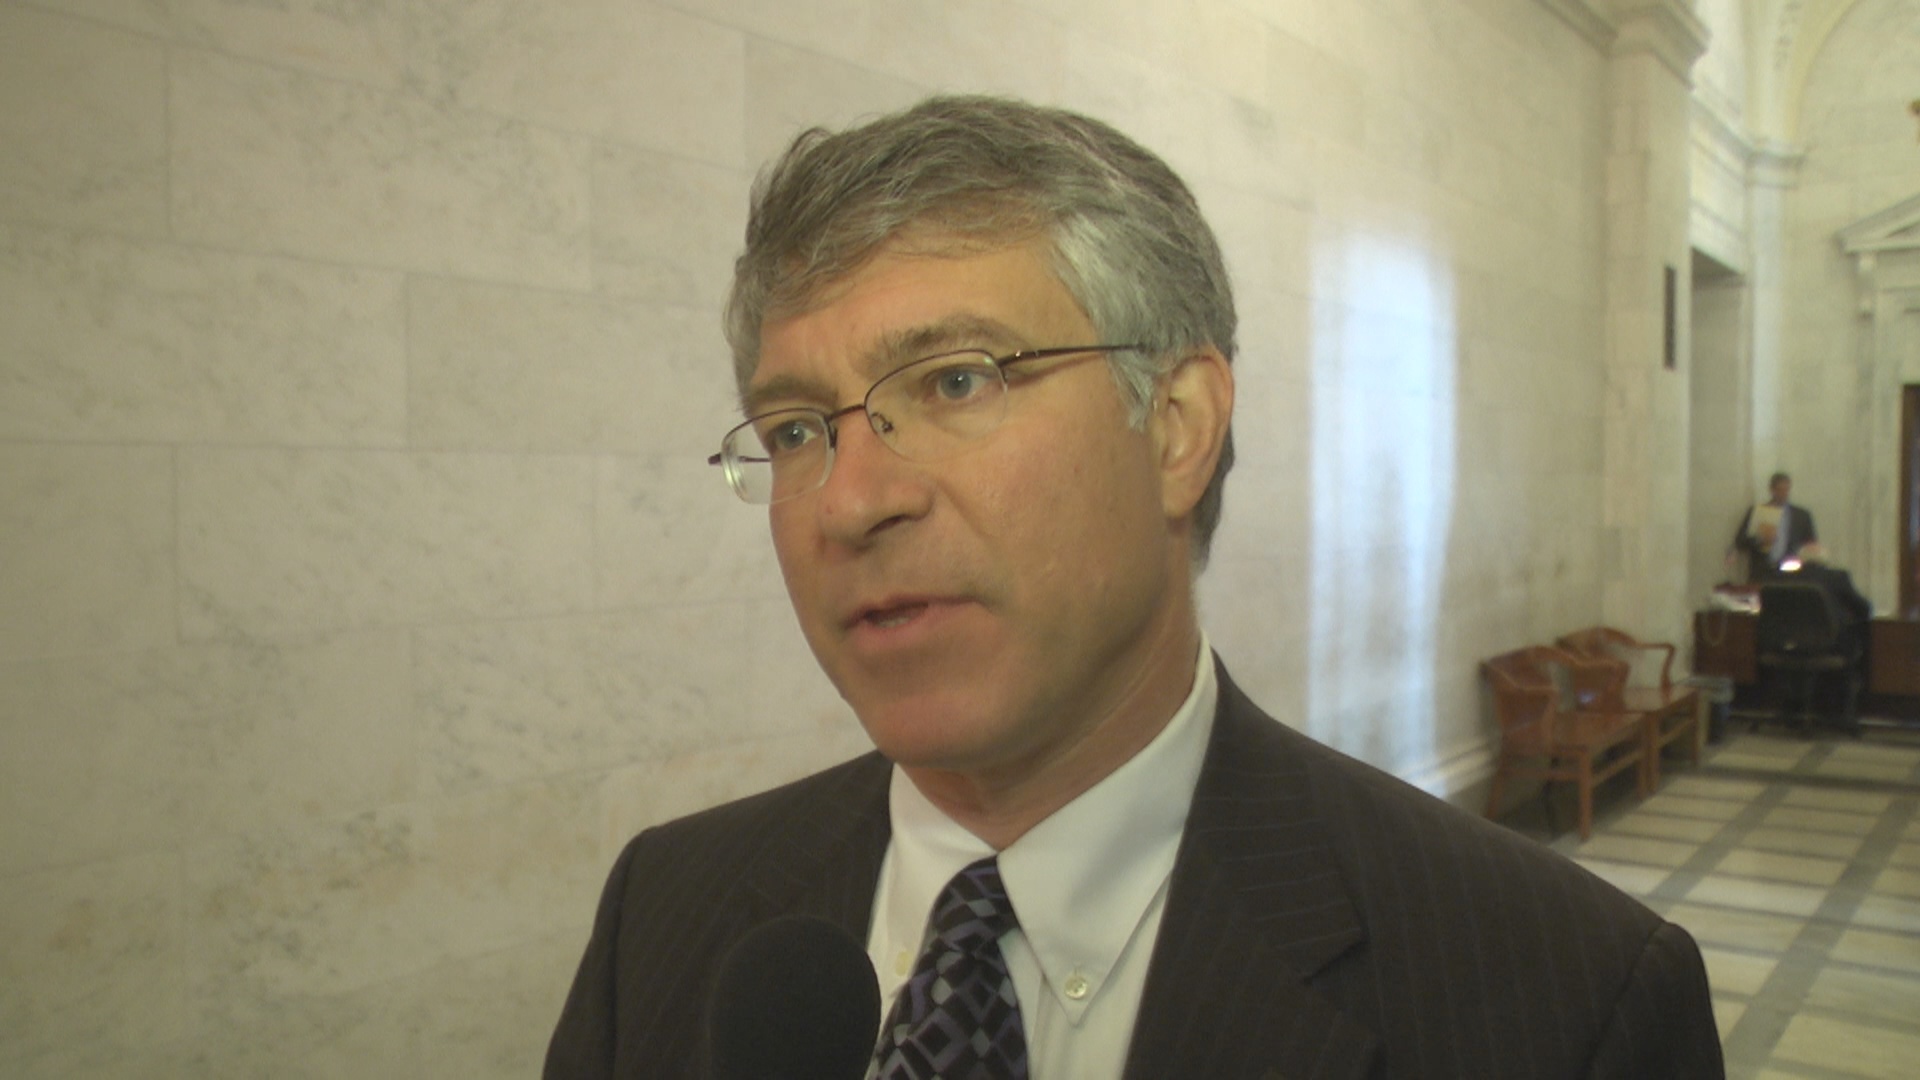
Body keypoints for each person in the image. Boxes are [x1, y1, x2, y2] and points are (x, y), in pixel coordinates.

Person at [546, 96, 1723, 1079]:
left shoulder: (1570, 999)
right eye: (799, 429)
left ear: (1176, 426)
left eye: (954, 382)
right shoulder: (665, 908)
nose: (851, 502)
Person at [1733, 472, 1818, 578]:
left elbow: (1811, 543)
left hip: (1792, 571)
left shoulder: (1801, 516)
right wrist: (1759, 539)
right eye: (1779, 490)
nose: (1783, 494)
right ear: (1772, 490)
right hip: (1763, 571)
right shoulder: (1758, 512)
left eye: (1786, 490)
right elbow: (1740, 542)